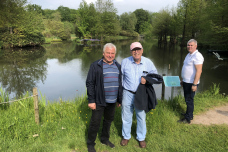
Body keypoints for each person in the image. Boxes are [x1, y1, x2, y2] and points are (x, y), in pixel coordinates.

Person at [86, 43, 122, 152]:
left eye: (112, 53)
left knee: (108, 121)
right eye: (108, 53)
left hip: (112, 100)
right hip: (99, 100)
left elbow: (120, 83)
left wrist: (119, 99)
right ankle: (90, 143)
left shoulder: (118, 66)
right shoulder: (95, 65)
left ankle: (104, 139)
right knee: (95, 122)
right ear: (103, 53)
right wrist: (91, 100)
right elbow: (90, 83)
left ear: (115, 54)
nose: (110, 55)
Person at [120, 42, 158, 148]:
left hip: (141, 94)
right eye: (133, 50)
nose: (136, 52)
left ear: (142, 50)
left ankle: (141, 138)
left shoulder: (148, 62)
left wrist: (147, 79)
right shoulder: (125, 62)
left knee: (141, 116)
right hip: (127, 93)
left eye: (138, 49)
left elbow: (155, 77)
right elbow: (121, 78)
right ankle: (126, 136)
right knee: (126, 116)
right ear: (131, 51)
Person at [178, 39, 204, 124]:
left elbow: (199, 71)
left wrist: (195, 84)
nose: (189, 47)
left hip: (191, 83)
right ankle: (189, 114)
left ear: (195, 46)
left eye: (191, 45)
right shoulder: (189, 55)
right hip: (186, 81)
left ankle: (188, 118)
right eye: (188, 45)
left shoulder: (197, 56)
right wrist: (183, 79)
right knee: (187, 99)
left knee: (189, 100)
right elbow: (186, 68)